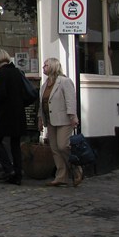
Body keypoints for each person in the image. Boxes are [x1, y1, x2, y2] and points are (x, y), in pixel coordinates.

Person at [39, 57, 82, 186]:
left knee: (63, 146)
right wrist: (40, 119)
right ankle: (61, 176)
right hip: (50, 120)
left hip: (64, 119)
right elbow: (42, 103)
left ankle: (76, 166)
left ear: (53, 66)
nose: (43, 67)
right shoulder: (44, 85)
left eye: (46, 65)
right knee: (54, 148)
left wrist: (73, 116)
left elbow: (70, 100)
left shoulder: (64, 81)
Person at [0, 49, 27, 185]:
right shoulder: (17, 72)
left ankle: (8, 169)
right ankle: (18, 174)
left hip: (5, 114)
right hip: (18, 112)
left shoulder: (1, 73)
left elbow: (1, 94)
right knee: (15, 143)